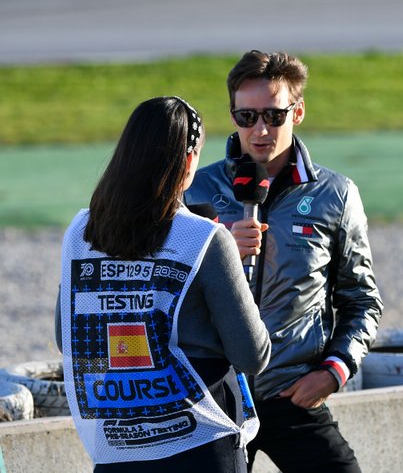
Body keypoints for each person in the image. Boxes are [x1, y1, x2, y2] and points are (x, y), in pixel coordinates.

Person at [184, 50, 383, 472]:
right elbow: (161, 292)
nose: (259, 130)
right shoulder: (193, 189)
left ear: (299, 111)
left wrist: (335, 370)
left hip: (291, 392)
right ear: (232, 114)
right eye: (246, 116)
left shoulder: (336, 193)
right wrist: (217, 252)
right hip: (213, 400)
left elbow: (362, 300)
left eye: (274, 116)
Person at [56, 96, 271, 472]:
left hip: (119, 445)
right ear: (188, 161)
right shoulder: (205, 238)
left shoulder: (81, 231)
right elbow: (252, 354)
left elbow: (66, 336)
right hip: (202, 444)